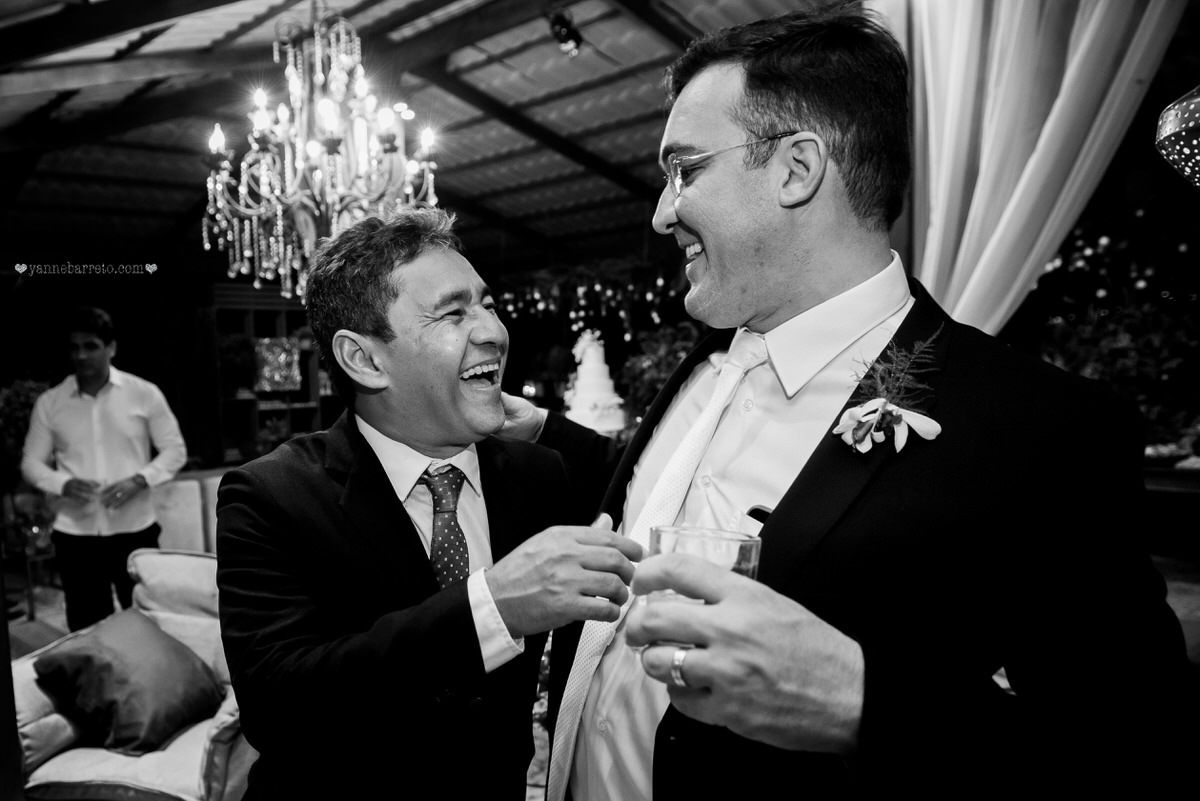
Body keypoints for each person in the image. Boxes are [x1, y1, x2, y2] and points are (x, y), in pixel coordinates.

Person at [499, 4, 1195, 798]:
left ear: (798, 169)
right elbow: (651, 492)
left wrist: (863, 703)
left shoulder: (1041, 431)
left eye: (684, 169)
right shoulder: (703, 361)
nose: (661, 212)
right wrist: (544, 427)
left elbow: (1138, 753)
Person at [215, 207, 642, 801]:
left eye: (488, 304)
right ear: (365, 359)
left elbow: (645, 487)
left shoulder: (538, 475)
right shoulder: (270, 495)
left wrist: (547, 425)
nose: (493, 331)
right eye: (453, 313)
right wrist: (492, 609)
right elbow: (279, 707)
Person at [21, 306, 186, 632]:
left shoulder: (144, 394)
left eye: (91, 346)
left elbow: (175, 451)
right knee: (87, 630)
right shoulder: (50, 403)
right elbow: (30, 463)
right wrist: (62, 483)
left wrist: (139, 480)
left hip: (135, 529)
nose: (81, 355)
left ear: (111, 347)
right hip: (76, 536)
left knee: (148, 625)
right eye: (74, 348)